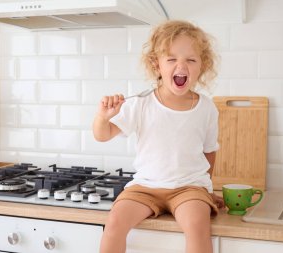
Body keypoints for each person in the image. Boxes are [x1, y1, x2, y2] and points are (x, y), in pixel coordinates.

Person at [93, 20, 224, 253]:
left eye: (191, 59)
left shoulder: (206, 108)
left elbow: (209, 150)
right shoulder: (140, 104)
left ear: (201, 66)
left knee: (197, 225)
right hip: (144, 187)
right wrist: (103, 117)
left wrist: (206, 190)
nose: (181, 65)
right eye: (172, 59)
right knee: (113, 222)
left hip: (189, 188)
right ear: (157, 65)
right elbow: (102, 135)